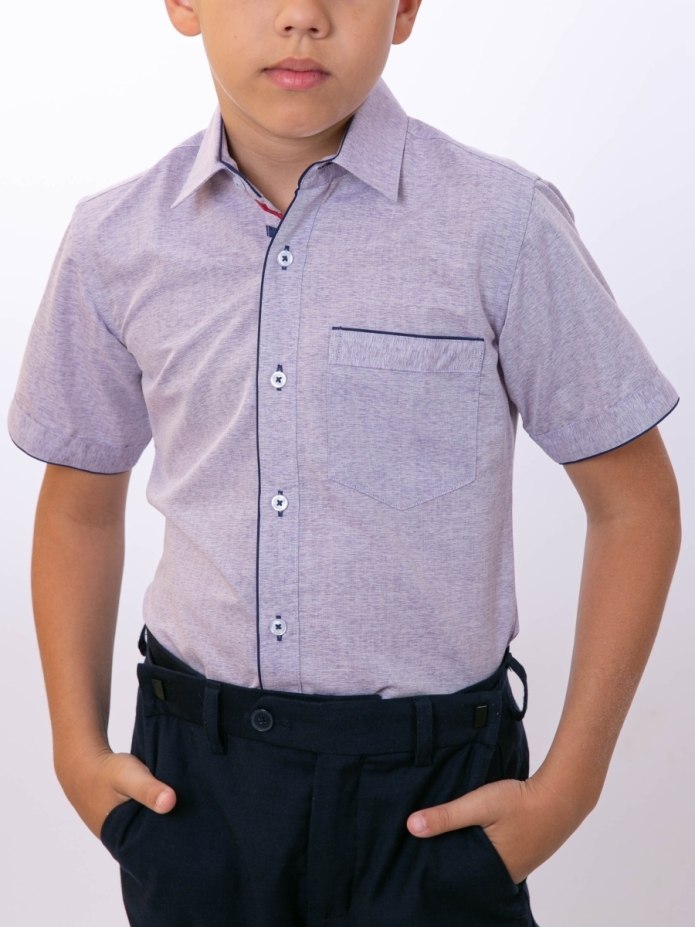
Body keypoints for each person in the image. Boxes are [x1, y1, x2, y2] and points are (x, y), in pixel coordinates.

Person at [8, 2, 681, 925]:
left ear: (403, 9)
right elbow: (80, 506)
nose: (302, 16)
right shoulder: (114, 240)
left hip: (432, 790)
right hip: (196, 786)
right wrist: (76, 753)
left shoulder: (501, 224)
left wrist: (570, 787)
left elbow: (634, 503)